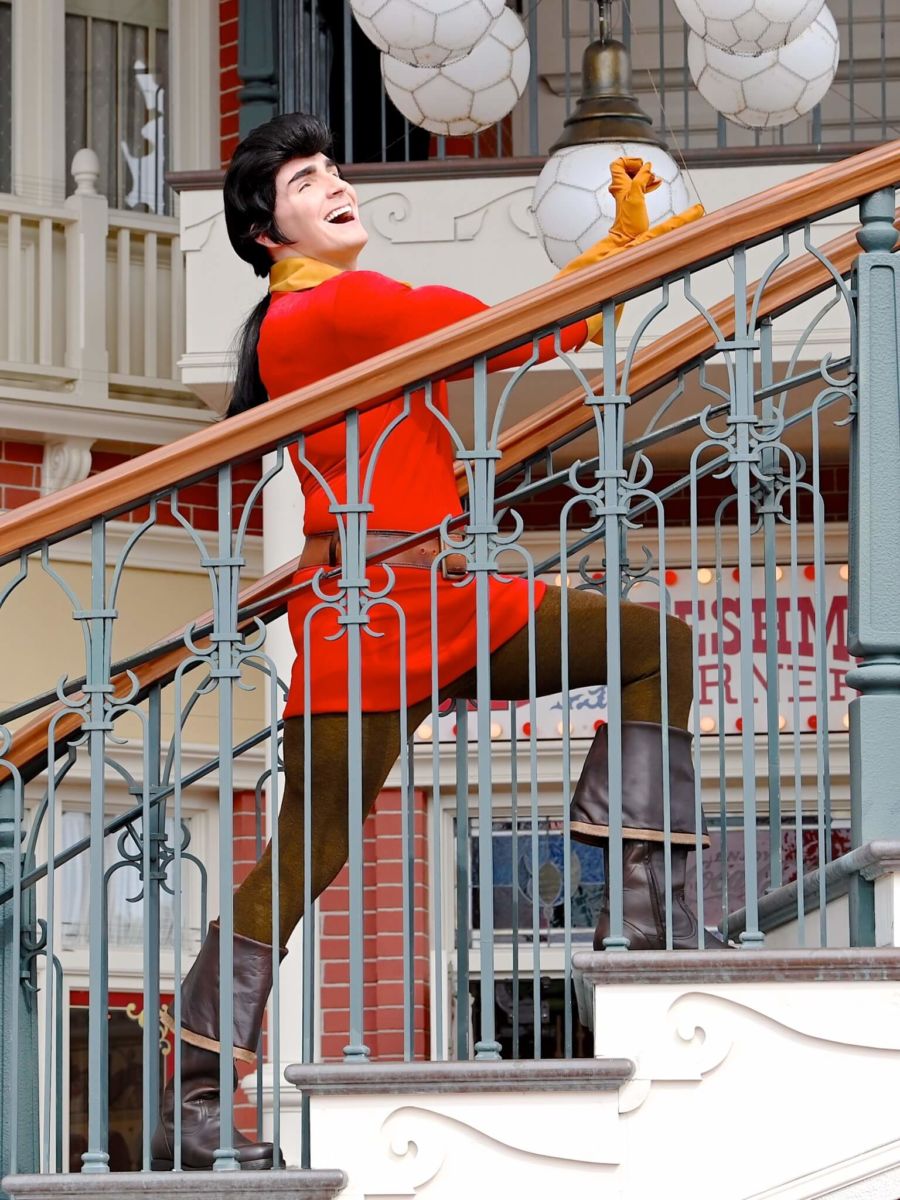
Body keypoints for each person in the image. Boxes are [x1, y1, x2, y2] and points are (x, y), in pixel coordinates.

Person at [151, 112, 720, 1173]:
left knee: (653, 646)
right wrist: (621, 250)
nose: (335, 185)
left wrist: (617, 252)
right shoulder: (330, 308)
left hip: (443, 597)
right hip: (367, 621)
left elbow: (516, 336)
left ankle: (652, 913)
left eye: (333, 169)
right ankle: (191, 1095)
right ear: (267, 234)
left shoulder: (335, 312)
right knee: (305, 855)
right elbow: (509, 333)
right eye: (306, 182)